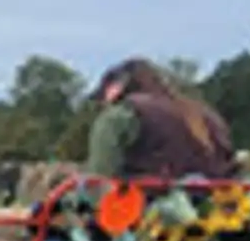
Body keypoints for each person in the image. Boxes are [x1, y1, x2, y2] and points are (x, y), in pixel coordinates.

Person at [85, 59, 236, 180]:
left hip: (145, 210)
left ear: (115, 90)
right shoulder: (208, 116)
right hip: (219, 209)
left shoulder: (121, 115)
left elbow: (99, 178)